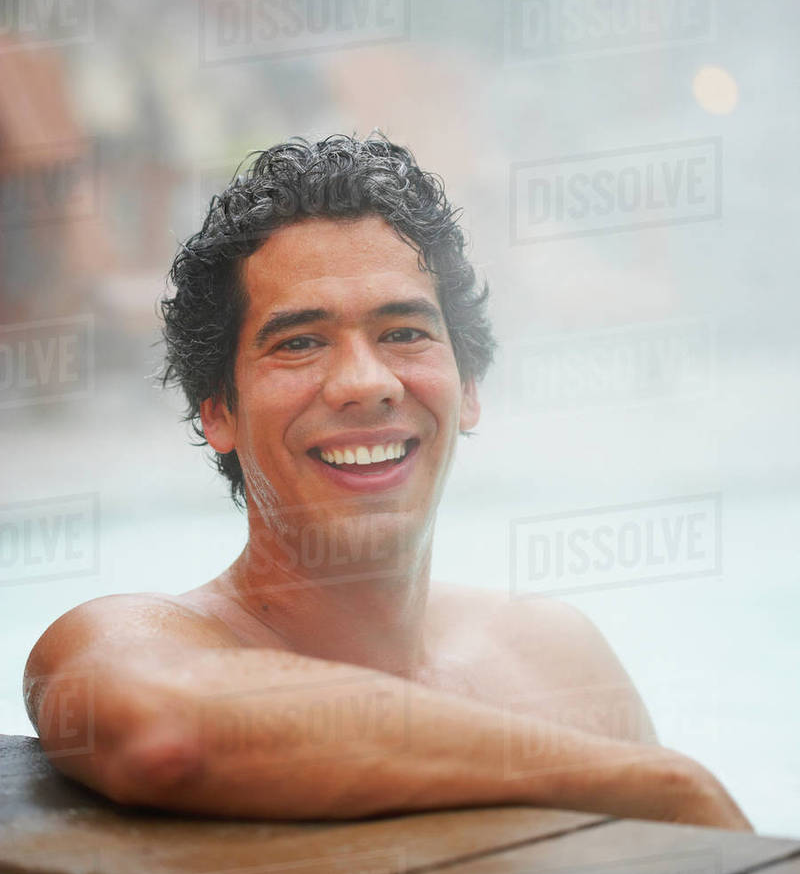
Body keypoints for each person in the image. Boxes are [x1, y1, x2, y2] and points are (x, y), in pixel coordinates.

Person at [23, 134, 750, 829]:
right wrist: (660, 784)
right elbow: (164, 735)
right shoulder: (134, 639)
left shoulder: (553, 656)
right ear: (219, 413)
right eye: (300, 342)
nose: (365, 383)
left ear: (468, 388)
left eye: (404, 333)